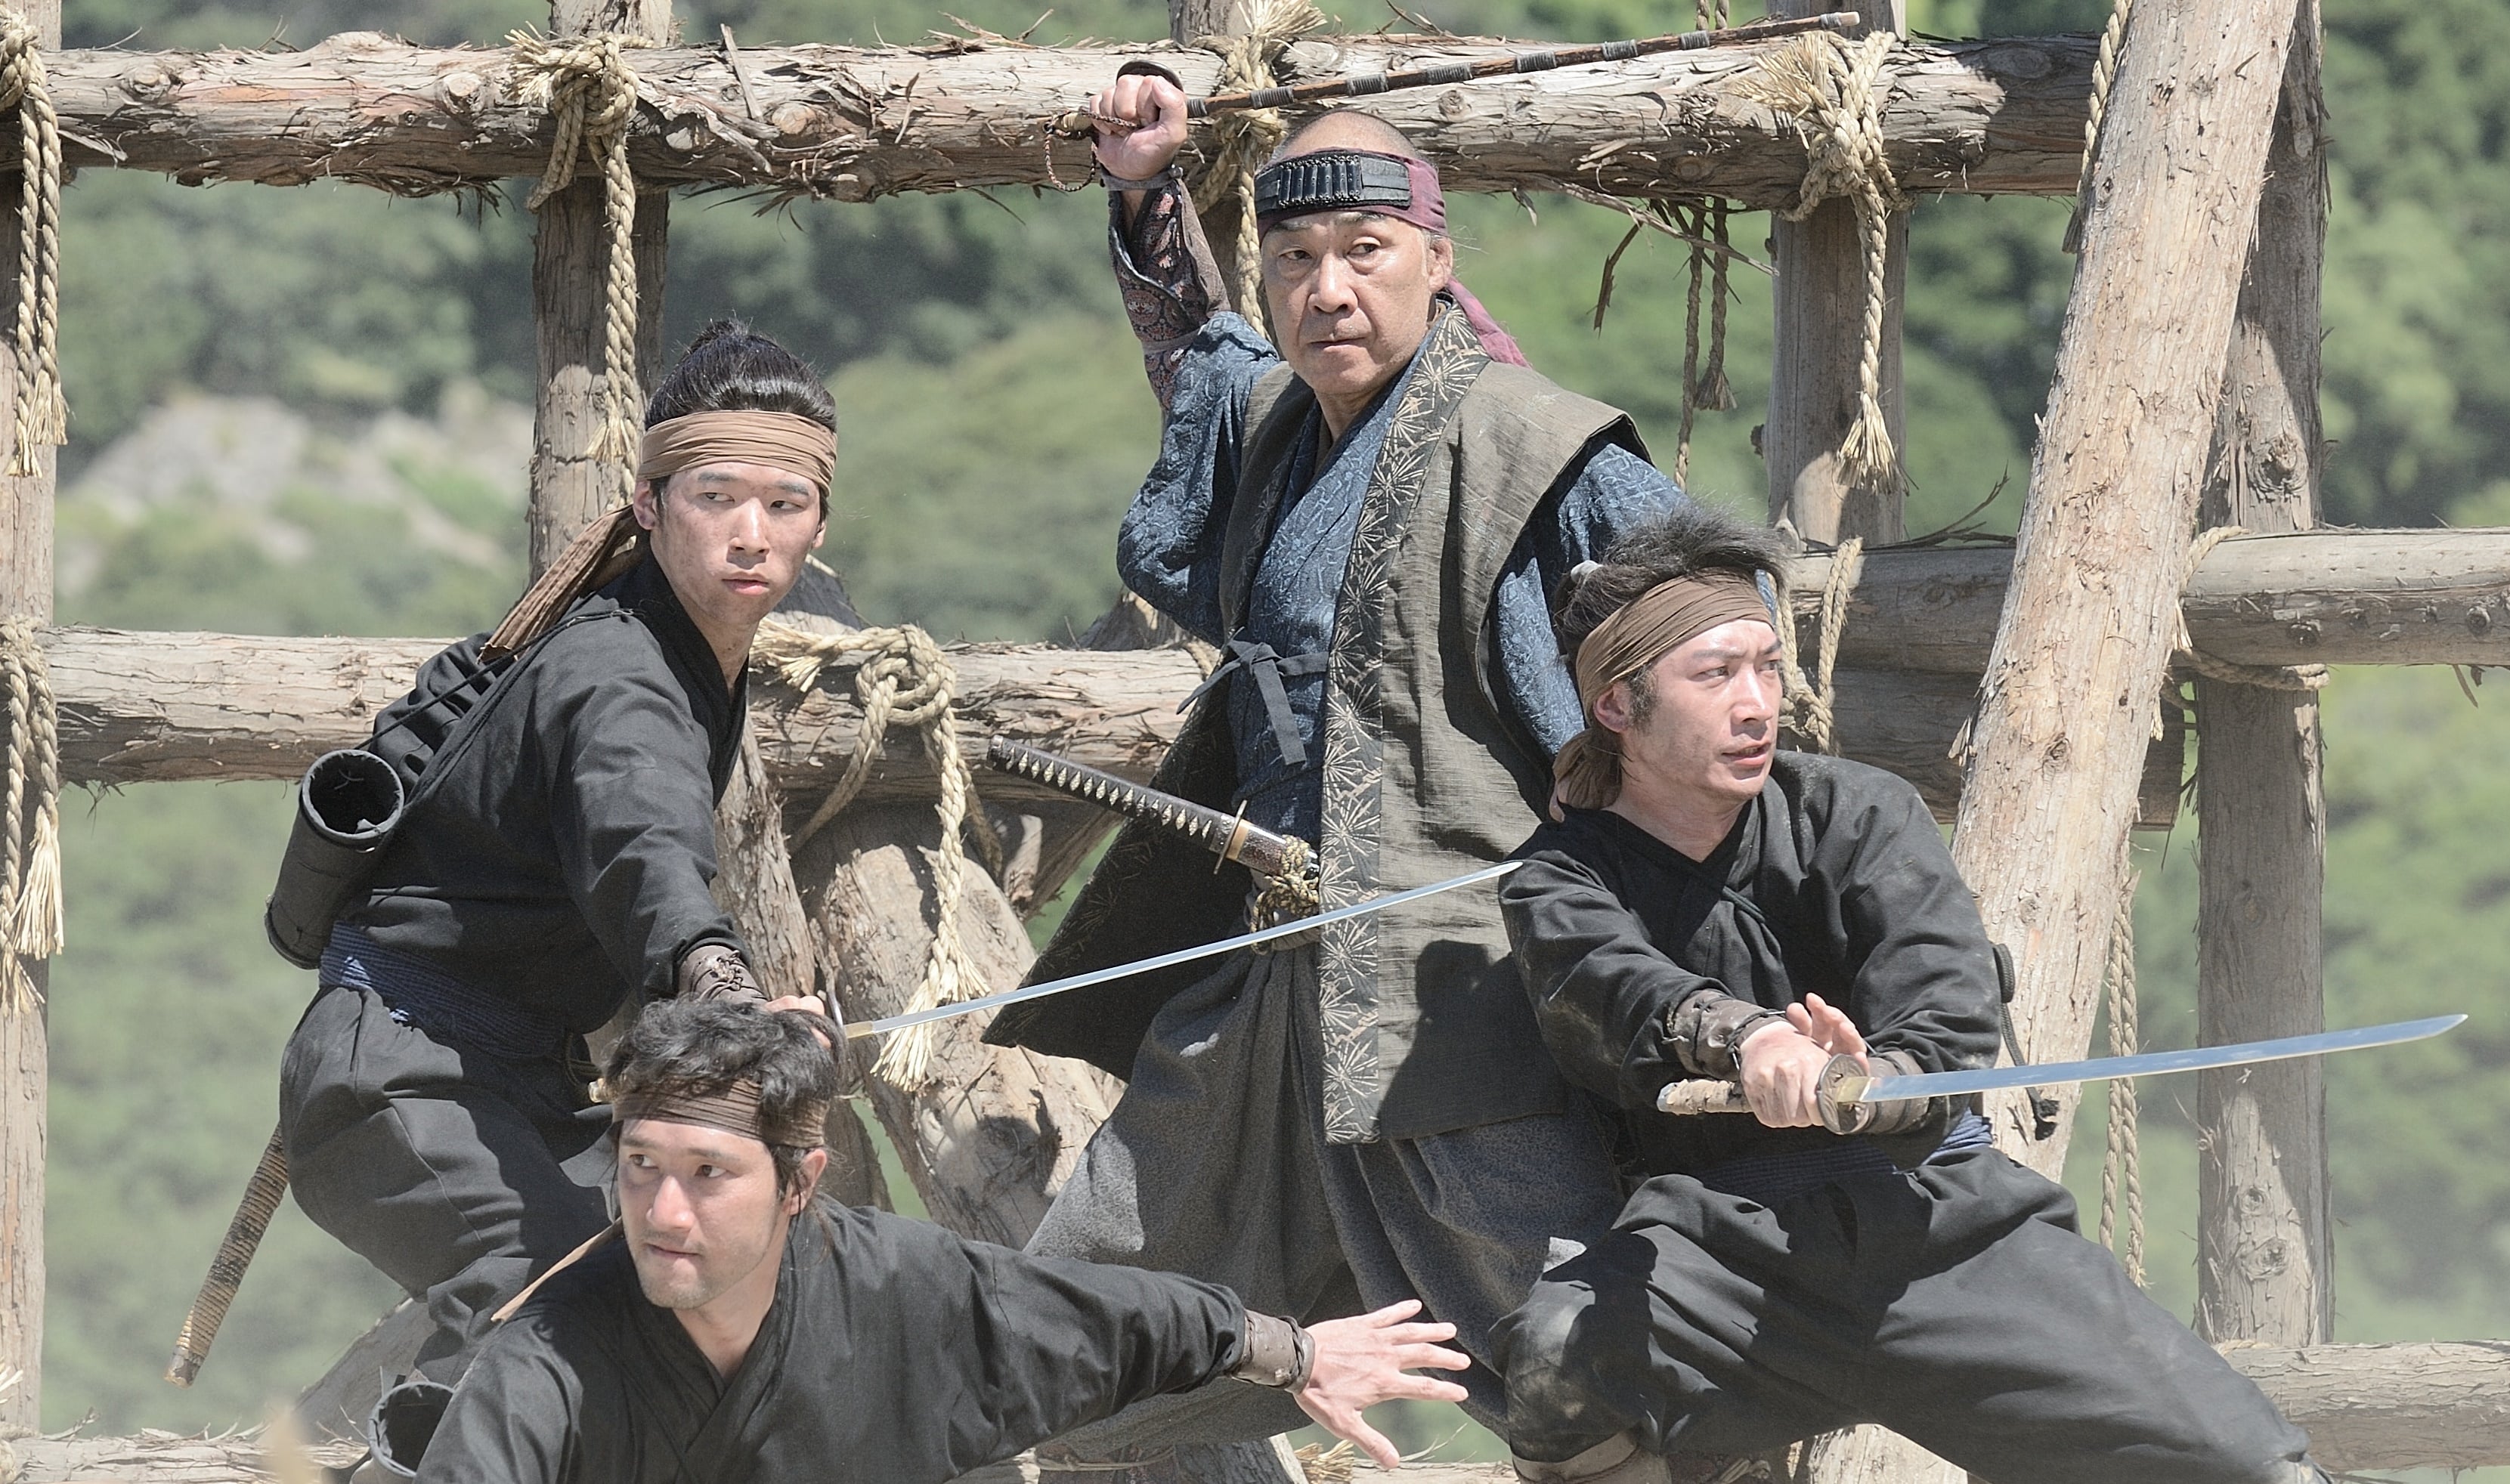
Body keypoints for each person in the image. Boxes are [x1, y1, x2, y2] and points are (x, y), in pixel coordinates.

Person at [977, 70, 1682, 1466]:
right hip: (1269, 987)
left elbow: (1708, 619)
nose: (1328, 290)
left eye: (1365, 252)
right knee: (1091, 1328)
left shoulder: (1533, 442)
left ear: (1437, 261)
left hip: (1458, 991)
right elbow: (1200, 357)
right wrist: (1146, 189)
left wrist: (1647, 810)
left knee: (1588, 1367)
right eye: (1295, 260)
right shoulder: (1274, 430)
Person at [1486, 506, 2326, 1483]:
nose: (1757, 705)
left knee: (2252, 1465)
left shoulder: (1857, 810)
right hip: (1719, 1251)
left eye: (1768, 668)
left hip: (1937, 1219)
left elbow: (1948, 998)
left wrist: (1881, 1077)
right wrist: (1752, 1041)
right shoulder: (1558, 878)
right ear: (1617, 707)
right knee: (1553, 1358)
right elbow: (1617, 987)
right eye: (1715, 676)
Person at [277, 320, 837, 1384]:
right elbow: (642, 843)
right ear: (650, 506)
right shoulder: (620, 674)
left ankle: (321, 1450)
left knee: (676, 1302)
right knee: (555, 1333)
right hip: (403, 1081)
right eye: (716, 497)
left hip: (509, 1087)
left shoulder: (674, 646)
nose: (751, 535)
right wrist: (726, 993)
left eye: (785, 503)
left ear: (820, 523)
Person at [407, 999, 1473, 1484]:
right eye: (641, 1165)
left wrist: (1296, 1352)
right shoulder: (548, 1356)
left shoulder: (907, 1288)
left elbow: (1115, 1320)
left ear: (800, 1184)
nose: (663, 1212)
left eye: (709, 1173)